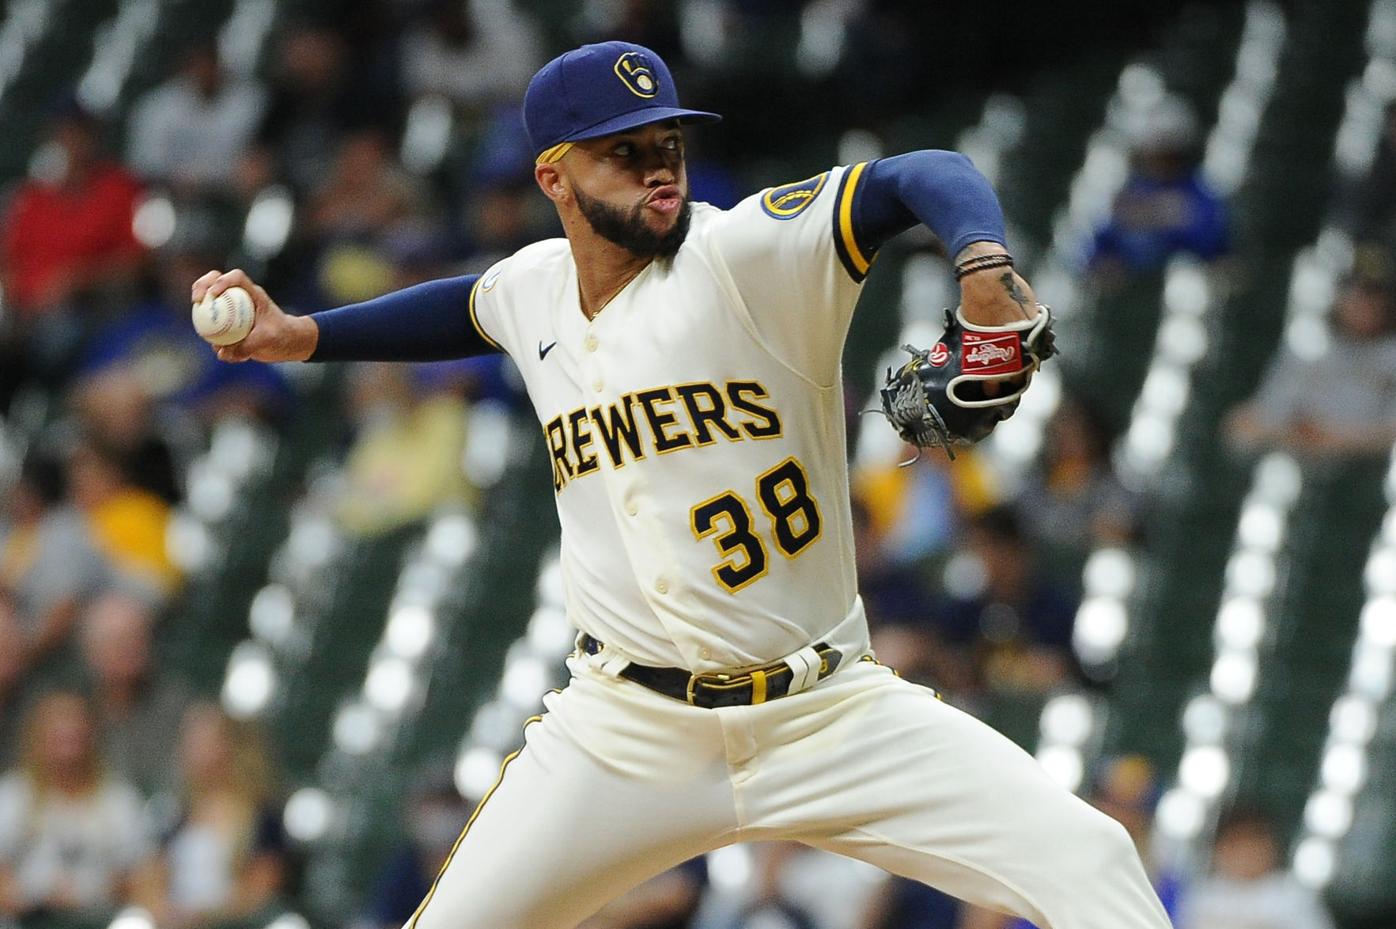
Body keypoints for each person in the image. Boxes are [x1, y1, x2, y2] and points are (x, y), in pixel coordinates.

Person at [193, 41, 1171, 929]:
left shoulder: (747, 255)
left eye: (668, 142)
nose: (658, 166)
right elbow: (468, 306)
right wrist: (304, 335)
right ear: (555, 176)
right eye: (625, 150)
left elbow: (923, 174)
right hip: (624, 730)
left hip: (826, 710)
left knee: (1092, 857)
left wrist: (984, 261)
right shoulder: (534, 285)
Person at [0, 691, 152, 921]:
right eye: (57, 732)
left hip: (101, 917)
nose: (68, 736)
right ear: (37, 738)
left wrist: (108, 890)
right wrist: (28, 897)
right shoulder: (14, 795)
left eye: (75, 730)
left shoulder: (118, 799)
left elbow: (145, 876)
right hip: (28, 918)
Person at [137, 704, 287, 929]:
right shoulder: (177, 811)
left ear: (230, 746)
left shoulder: (261, 815)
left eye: (203, 742)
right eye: (189, 741)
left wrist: (204, 916)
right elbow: (149, 875)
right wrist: (160, 909)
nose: (191, 750)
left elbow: (262, 889)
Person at [1225, 268, 1396, 460]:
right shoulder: (1308, 342)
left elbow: (1390, 433)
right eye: (1354, 294)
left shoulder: (1391, 354)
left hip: (1365, 465)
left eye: (1371, 296)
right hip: (1296, 457)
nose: (1360, 305)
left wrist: (1333, 438)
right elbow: (1262, 416)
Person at [1174, 807, 1334, 929]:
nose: (1246, 855)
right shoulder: (1202, 896)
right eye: (1237, 846)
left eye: (1254, 845)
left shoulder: (1293, 896)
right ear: (1220, 850)